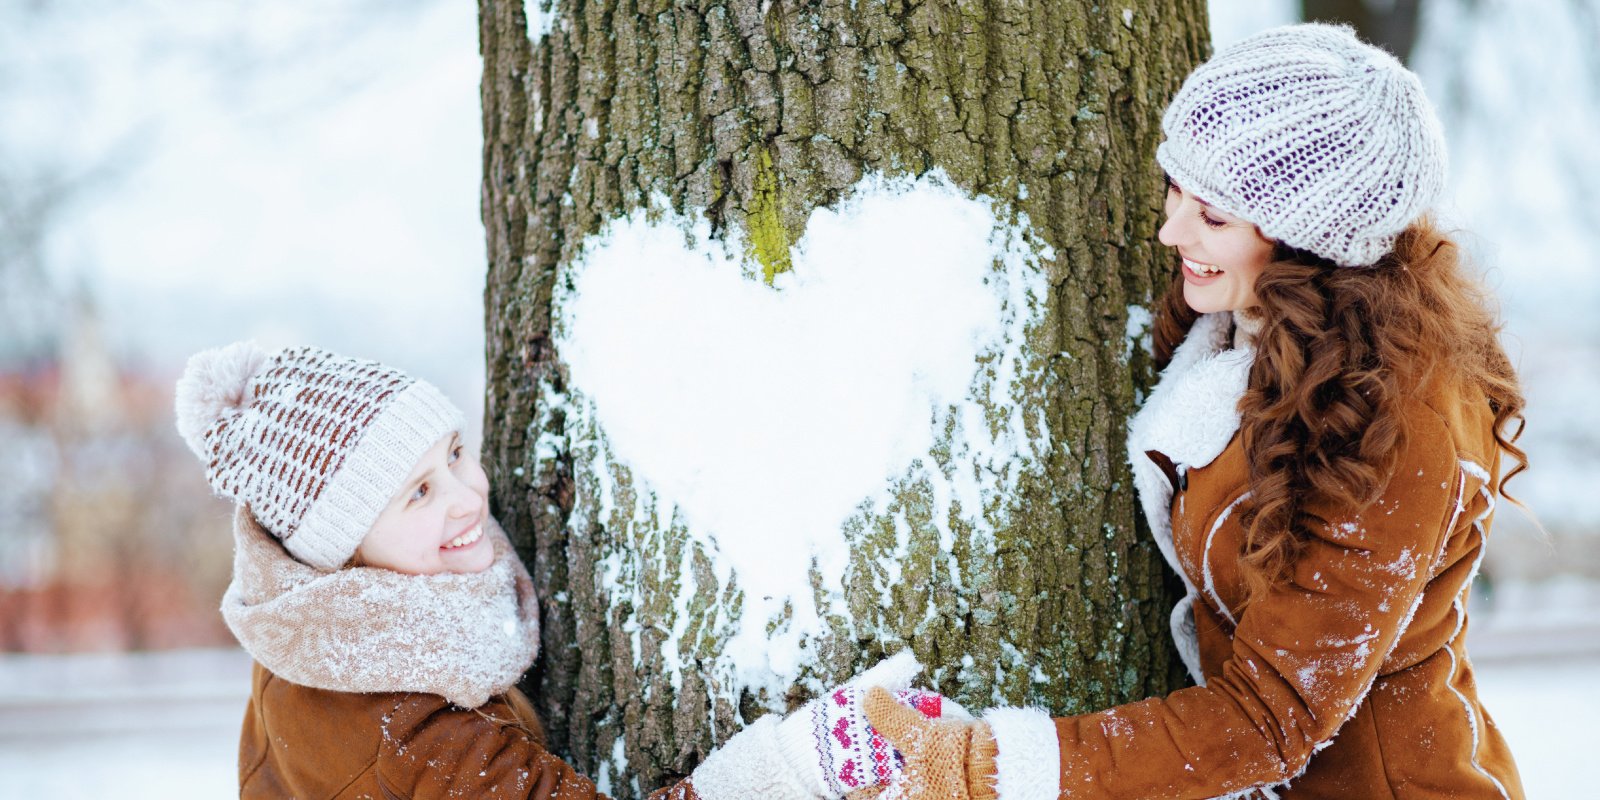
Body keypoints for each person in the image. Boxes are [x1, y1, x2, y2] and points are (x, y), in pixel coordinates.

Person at [858, 23, 1528, 800]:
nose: (1170, 231)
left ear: (1308, 246)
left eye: (1213, 216)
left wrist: (986, 768)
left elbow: (1274, 716)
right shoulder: (1244, 333)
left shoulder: (1393, 422)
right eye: (1176, 189)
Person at [174, 341, 952, 799]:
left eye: (453, 454)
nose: (469, 494)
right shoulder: (406, 732)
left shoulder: (308, 636)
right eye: (417, 493)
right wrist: (797, 761)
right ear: (337, 551)